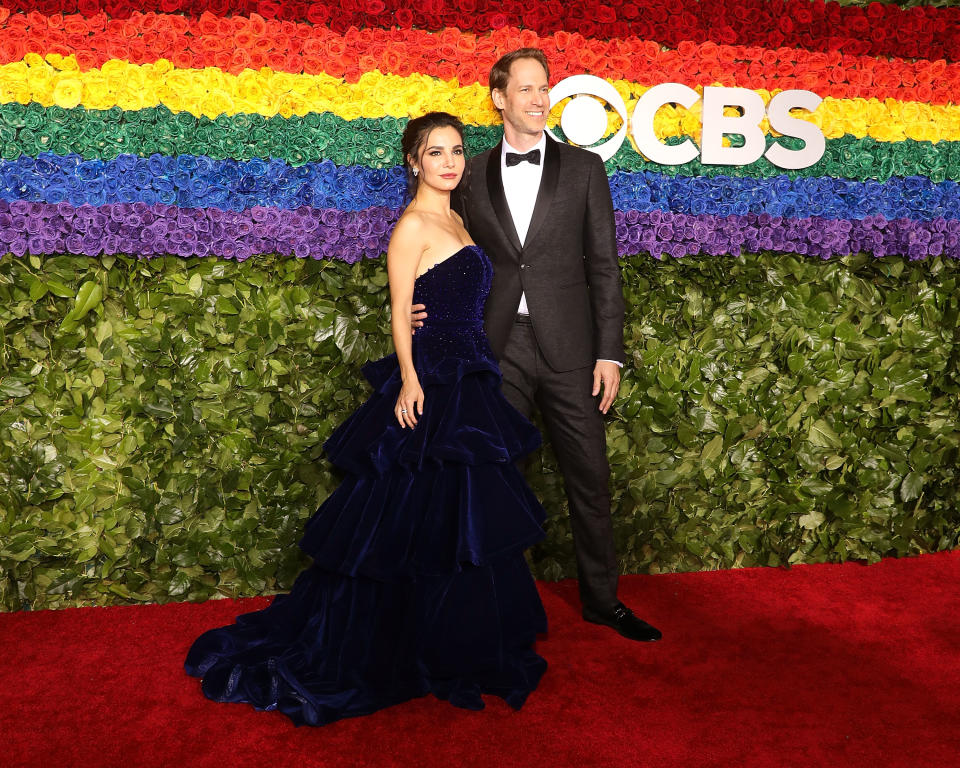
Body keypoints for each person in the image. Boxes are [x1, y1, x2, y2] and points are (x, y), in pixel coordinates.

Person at [185, 112, 549, 726]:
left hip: (469, 373)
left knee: (459, 518)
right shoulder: (411, 225)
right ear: (414, 162)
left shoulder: (457, 218)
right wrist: (409, 379)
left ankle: (454, 635)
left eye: (457, 151)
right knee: (416, 513)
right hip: (433, 379)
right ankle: (407, 639)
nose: (450, 162)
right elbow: (400, 311)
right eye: (436, 153)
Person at [416, 49, 661, 643]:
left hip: (573, 349)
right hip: (498, 348)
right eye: (524, 89)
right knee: (499, 480)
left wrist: (610, 352)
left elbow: (603, 266)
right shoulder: (468, 172)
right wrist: (426, 304)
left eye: (543, 88)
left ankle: (603, 602)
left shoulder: (584, 170)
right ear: (499, 99)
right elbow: (447, 246)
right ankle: (502, 606)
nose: (537, 99)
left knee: (590, 479)